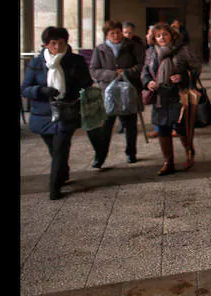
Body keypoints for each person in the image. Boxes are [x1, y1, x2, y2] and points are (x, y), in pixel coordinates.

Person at [21, 27, 93, 200]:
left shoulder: (76, 60)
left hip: (67, 111)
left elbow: (87, 83)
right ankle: (63, 171)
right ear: (46, 44)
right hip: (43, 114)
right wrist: (42, 90)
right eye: (53, 43)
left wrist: (76, 82)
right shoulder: (37, 63)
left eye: (61, 42)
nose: (58, 46)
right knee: (54, 149)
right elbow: (25, 89)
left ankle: (54, 187)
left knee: (60, 148)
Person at [141, 22, 202, 175]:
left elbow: (196, 68)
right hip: (160, 96)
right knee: (162, 129)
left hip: (179, 96)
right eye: (158, 35)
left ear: (171, 35)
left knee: (181, 127)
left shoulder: (183, 50)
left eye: (165, 34)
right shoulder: (151, 53)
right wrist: (148, 82)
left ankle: (189, 152)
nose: (162, 38)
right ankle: (168, 162)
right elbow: (145, 72)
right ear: (154, 38)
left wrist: (183, 77)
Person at [87, 20, 143, 167]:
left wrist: (127, 72)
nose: (116, 35)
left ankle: (131, 153)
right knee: (106, 127)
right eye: (112, 33)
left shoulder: (132, 46)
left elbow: (141, 65)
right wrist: (111, 74)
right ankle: (100, 156)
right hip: (108, 93)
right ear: (106, 35)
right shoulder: (100, 49)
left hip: (128, 90)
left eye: (118, 32)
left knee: (130, 125)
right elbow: (94, 70)